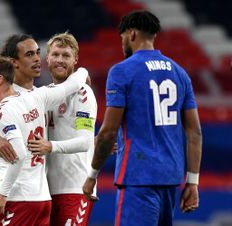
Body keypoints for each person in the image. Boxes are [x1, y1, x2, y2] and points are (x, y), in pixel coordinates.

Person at [82, 10, 202, 226]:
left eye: (122, 38)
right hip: (170, 179)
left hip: (138, 178)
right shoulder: (179, 73)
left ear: (132, 34)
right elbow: (194, 132)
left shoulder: (122, 71)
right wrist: (192, 182)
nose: (122, 44)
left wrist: (92, 174)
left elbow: (108, 132)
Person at [0, 55, 88, 225]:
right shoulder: (36, 97)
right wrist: (83, 72)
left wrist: (2, 194)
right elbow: (72, 84)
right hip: (41, 199)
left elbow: (19, 153)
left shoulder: (1, 112)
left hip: (17, 199)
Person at [28, 32, 97, 226]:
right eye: (56, 54)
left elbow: (84, 141)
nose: (60, 60)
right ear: (47, 58)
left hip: (75, 188)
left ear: (75, 59)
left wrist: (50, 146)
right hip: (45, 191)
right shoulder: (44, 94)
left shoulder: (83, 94)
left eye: (66, 55)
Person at [0, 34, 41, 162]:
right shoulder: (2, 98)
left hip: (41, 178)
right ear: (14, 62)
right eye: (29, 54)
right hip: (16, 178)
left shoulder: (41, 94)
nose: (37, 59)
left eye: (37, 53)